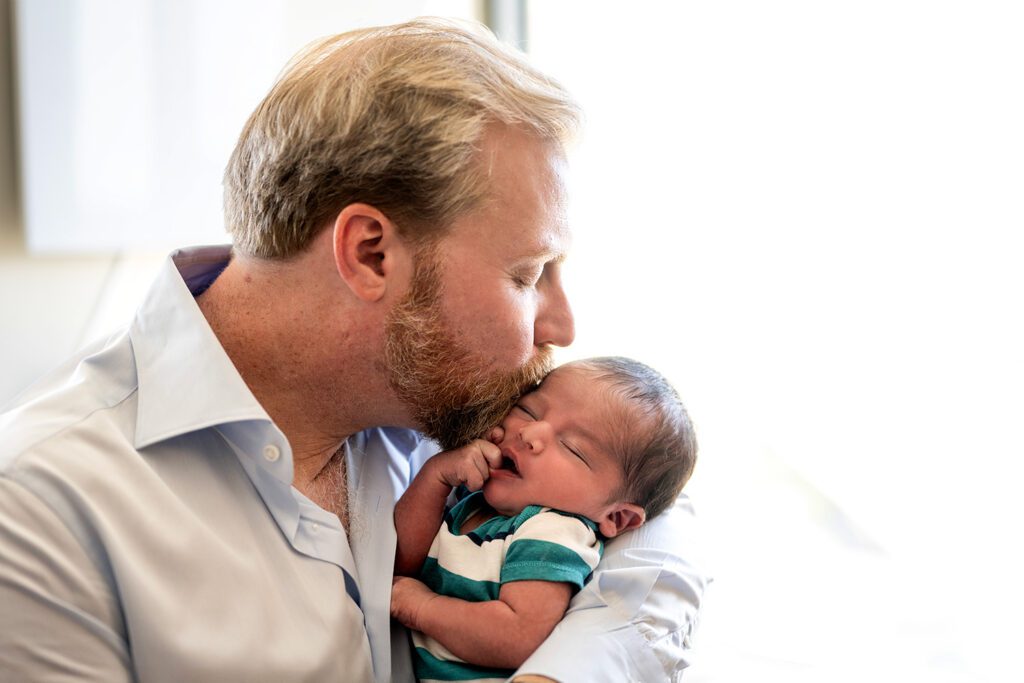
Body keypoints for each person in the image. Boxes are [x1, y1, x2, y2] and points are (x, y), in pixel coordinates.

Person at [0, 18, 707, 683]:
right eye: (527, 275)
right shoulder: (41, 512)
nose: (562, 324)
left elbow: (658, 519)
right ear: (370, 254)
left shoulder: (439, 400)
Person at [391, 357, 698, 682]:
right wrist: (435, 478)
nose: (529, 432)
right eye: (528, 410)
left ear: (617, 516)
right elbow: (403, 564)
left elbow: (517, 634)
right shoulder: (474, 502)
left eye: (572, 448)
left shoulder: (552, 531)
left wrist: (420, 608)